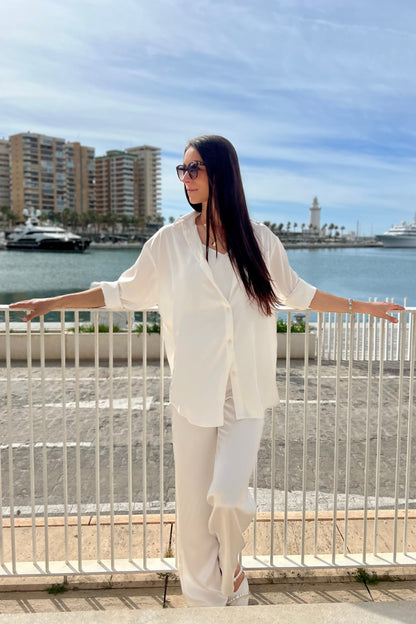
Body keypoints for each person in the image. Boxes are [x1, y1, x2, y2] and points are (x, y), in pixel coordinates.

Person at [10, 135, 404, 608]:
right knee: (194, 510)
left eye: (194, 168)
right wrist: (54, 302)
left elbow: (299, 293)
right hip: (195, 390)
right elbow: (121, 291)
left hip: (246, 389)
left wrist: (363, 306)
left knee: (229, 496)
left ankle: (231, 566)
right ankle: (207, 603)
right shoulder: (170, 241)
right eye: (182, 170)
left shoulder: (259, 240)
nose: (186, 178)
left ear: (221, 173)